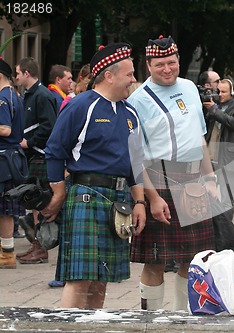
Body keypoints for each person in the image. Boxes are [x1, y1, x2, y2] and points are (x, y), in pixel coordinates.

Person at [42, 42, 147, 309]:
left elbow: (135, 163)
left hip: (118, 201)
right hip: (86, 196)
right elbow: (54, 150)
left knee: (102, 279)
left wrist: (140, 202)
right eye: (130, 74)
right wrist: (58, 192)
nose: (133, 80)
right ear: (109, 75)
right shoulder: (81, 105)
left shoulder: (130, 113)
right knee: (80, 279)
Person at [127, 35, 216, 311]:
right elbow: (135, 156)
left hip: (193, 180)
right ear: (148, 65)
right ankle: (149, 321)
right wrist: (151, 198)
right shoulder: (137, 100)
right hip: (160, 178)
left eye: (172, 62)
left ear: (179, 61)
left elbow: (199, 138)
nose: (167, 69)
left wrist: (210, 178)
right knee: (155, 259)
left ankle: (183, 317)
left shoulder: (190, 87)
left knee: (195, 257)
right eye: (160, 64)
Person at [15, 57, 58, 265]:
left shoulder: (42, 95)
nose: (15, 77)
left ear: (26, 73)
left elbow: (49, 127)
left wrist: (28, 142)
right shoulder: (29, 95)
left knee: (40, 202)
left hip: (41, 155)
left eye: (17, 73)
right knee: (34, 201)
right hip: (33, 155)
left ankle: (41, 247)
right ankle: (38, 246)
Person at [204, 78, 234, 209]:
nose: (220, 94)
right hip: (209, 158)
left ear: (232, 92)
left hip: (228, 159)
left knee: (227, 199)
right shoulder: (212, 106)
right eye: (218, 91)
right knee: (207, 197)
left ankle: (226, 228)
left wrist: (214, 111)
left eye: (224, 91)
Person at [0, 57, 25, 269]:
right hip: (12, 157)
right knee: (6, 208)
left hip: (4, 157)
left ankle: (7, 254)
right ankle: (6, 251)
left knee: (4, 208)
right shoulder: (14, 94)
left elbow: (5, 129)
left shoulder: (2, 98)